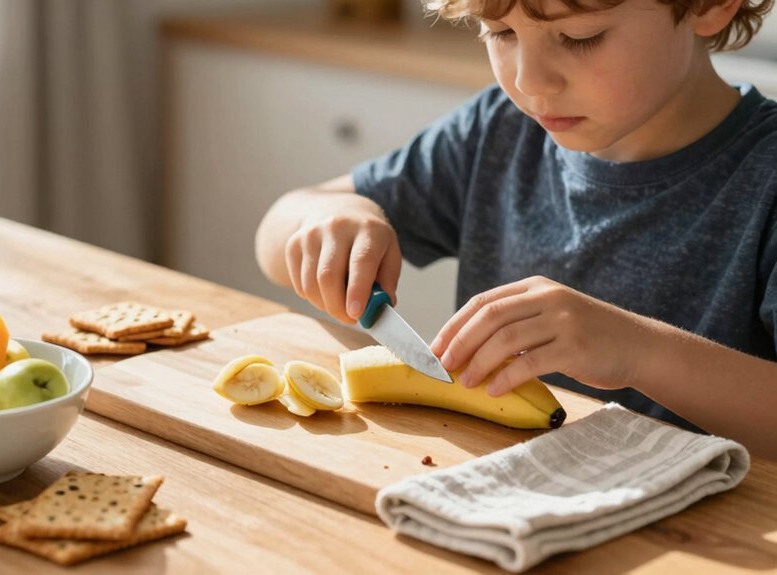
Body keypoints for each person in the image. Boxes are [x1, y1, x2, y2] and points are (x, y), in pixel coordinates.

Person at [254, 0, 777, 458]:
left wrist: (638, 351)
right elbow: (278, 231)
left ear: (710, 4)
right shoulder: (497, 130)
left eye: (579, 37)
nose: (529, 81)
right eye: (500, 33)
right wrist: (329, 219)